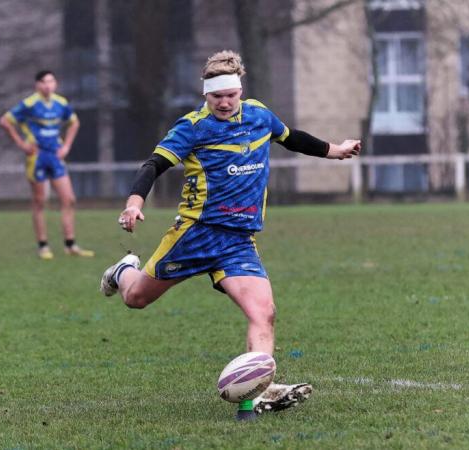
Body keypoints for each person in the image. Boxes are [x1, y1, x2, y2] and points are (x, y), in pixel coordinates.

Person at [99, 51, 360, 413]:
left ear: (240, 92)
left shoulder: (259, 115)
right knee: (136, 298)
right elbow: (154, 165)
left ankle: (252, 401)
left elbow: (291, 138)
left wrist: (336, 150)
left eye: (230, 95)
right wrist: (134, 203)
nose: (224, 103)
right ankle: (122, 270)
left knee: (263, 313)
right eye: (216, 96)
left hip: (238, 241)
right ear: (205, 95)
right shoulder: (192, 127)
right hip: (195, 235)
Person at [0, 70, 94, 260]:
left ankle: (70, 244)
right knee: (40, 201)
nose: (48, 85)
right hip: (37, 157)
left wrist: (66, 146)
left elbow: (74, 123)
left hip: (55, 155)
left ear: (55, 83)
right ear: (37, 85)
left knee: (69, 199)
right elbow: (5, 121)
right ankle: (43, 246)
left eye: (51, 81)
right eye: (43, 82)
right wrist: (21, 144)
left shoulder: (61, 103)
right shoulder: (29, 104)